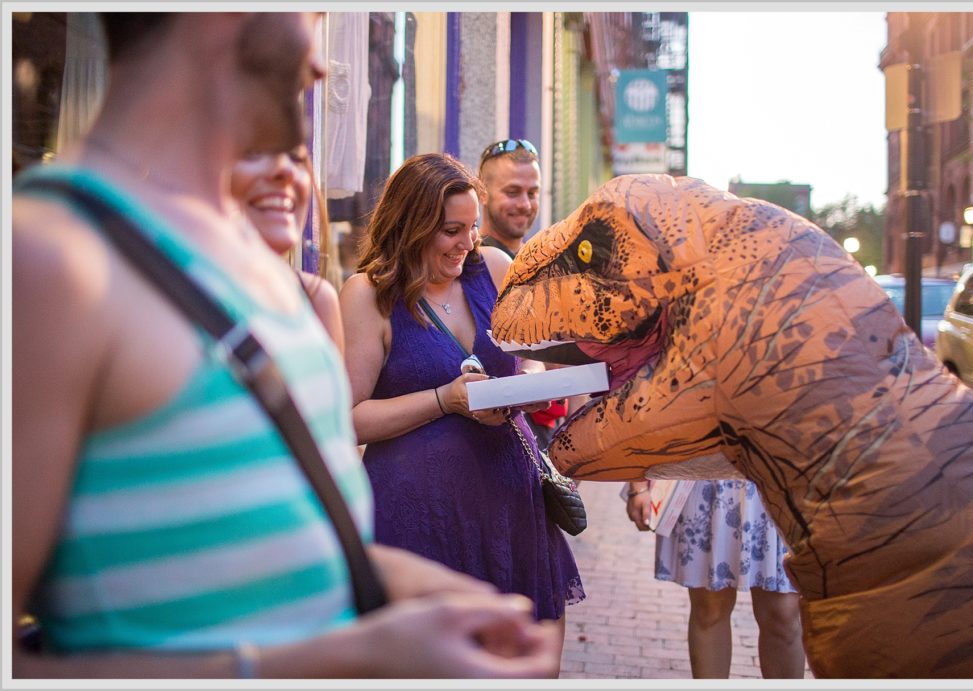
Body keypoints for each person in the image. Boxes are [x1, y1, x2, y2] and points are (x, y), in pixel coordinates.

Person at [12, 12, 561, 679]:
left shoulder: (269, 270)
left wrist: (434, 597)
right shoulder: (46, 260)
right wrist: (346, 655)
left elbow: (283, 550)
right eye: (306, 14)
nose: (326, 54)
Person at [339, 152, 585, 672]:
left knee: (530, 662)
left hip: (508, 504)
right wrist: (444, 400)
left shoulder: (495, 268)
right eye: (451, 230)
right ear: (411, 226)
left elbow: (535, 360)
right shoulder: (369, 295)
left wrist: (526, 388)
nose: (467, 243)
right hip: (416, 516)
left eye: (473, 227)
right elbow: (351, 417)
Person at [626, 478, 805, 679]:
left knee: (783, 614)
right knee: (710, 609)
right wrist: (638, 486)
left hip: (775, 474)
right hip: (707, 473)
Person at [477, 138, 566, 449]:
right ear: (482, 193)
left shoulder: (536, 261)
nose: (526, 205)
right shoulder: (473, 265)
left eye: (533, 193)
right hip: (501, 437)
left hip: (545, 435)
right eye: (512, 192)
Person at [231, 145, 345, 356]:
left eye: (296, 158)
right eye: (255, 154)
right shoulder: (167, 293)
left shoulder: (318, 299)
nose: (286, 171)